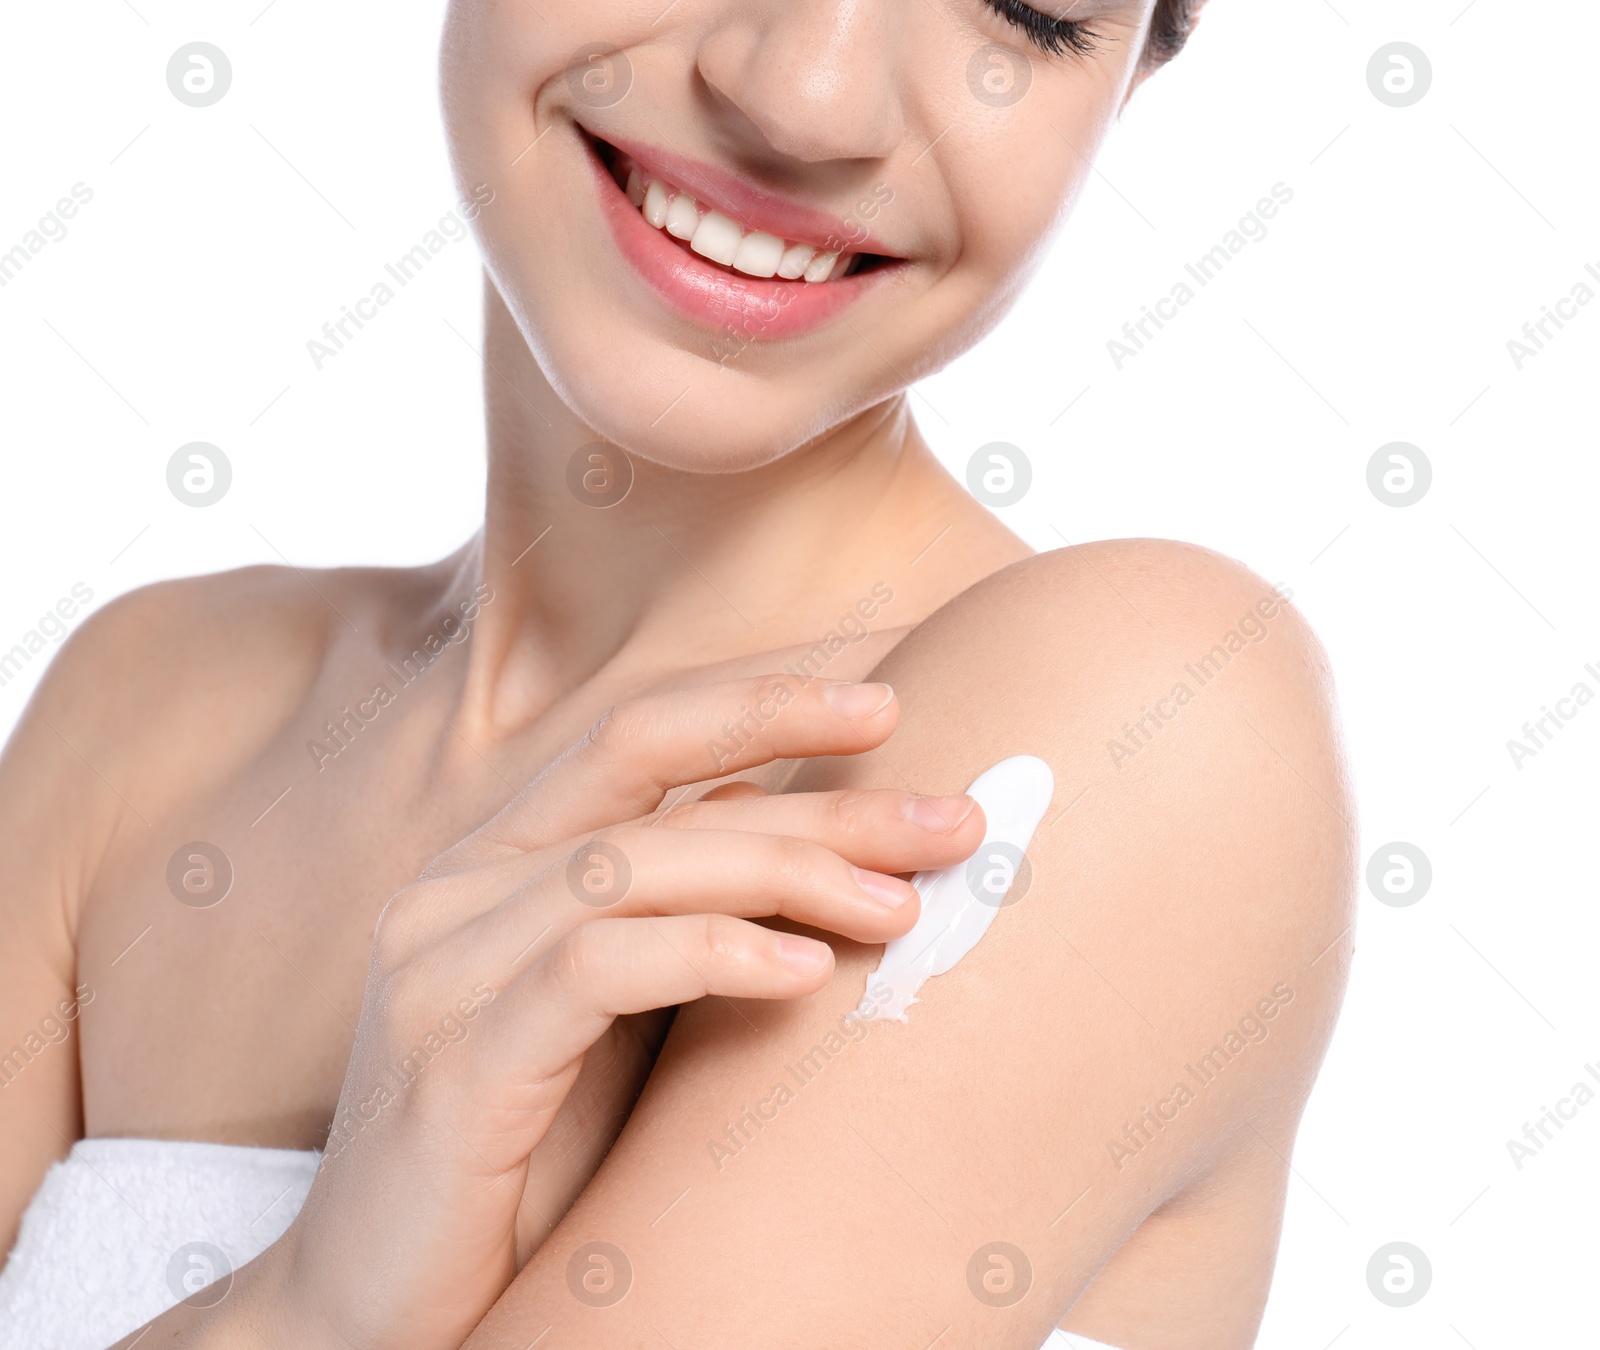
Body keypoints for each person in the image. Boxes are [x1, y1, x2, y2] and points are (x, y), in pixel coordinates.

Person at [0, 1, 1355, 1346]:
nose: (807, 97)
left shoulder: (1132, 739)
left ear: (1130, 79)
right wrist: (311, 1306)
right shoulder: (147, 711)